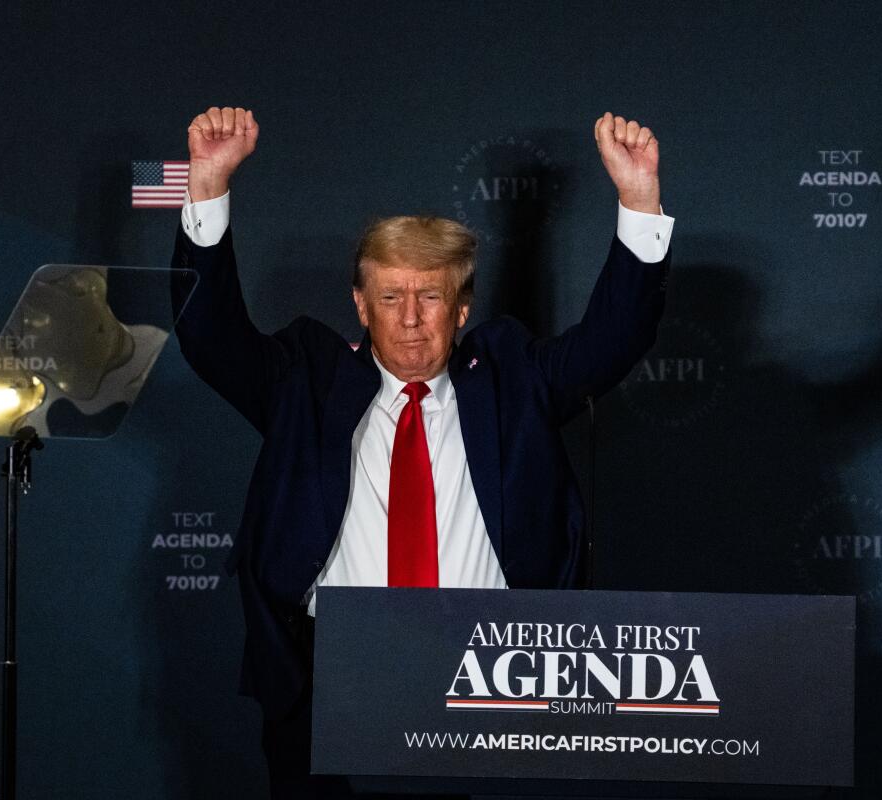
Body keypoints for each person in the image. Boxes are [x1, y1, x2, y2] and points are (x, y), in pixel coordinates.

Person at [170, 106, 674, 799]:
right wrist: (207, 186)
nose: (410, 318)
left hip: (492, 677)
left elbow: (614, 337)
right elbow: (210, 337)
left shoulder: (512, 379)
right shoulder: (303, 382)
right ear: (360, 303)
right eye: (390, 296)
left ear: (461, 308)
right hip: (326, 679)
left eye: (430, 296)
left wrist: (638, 200)